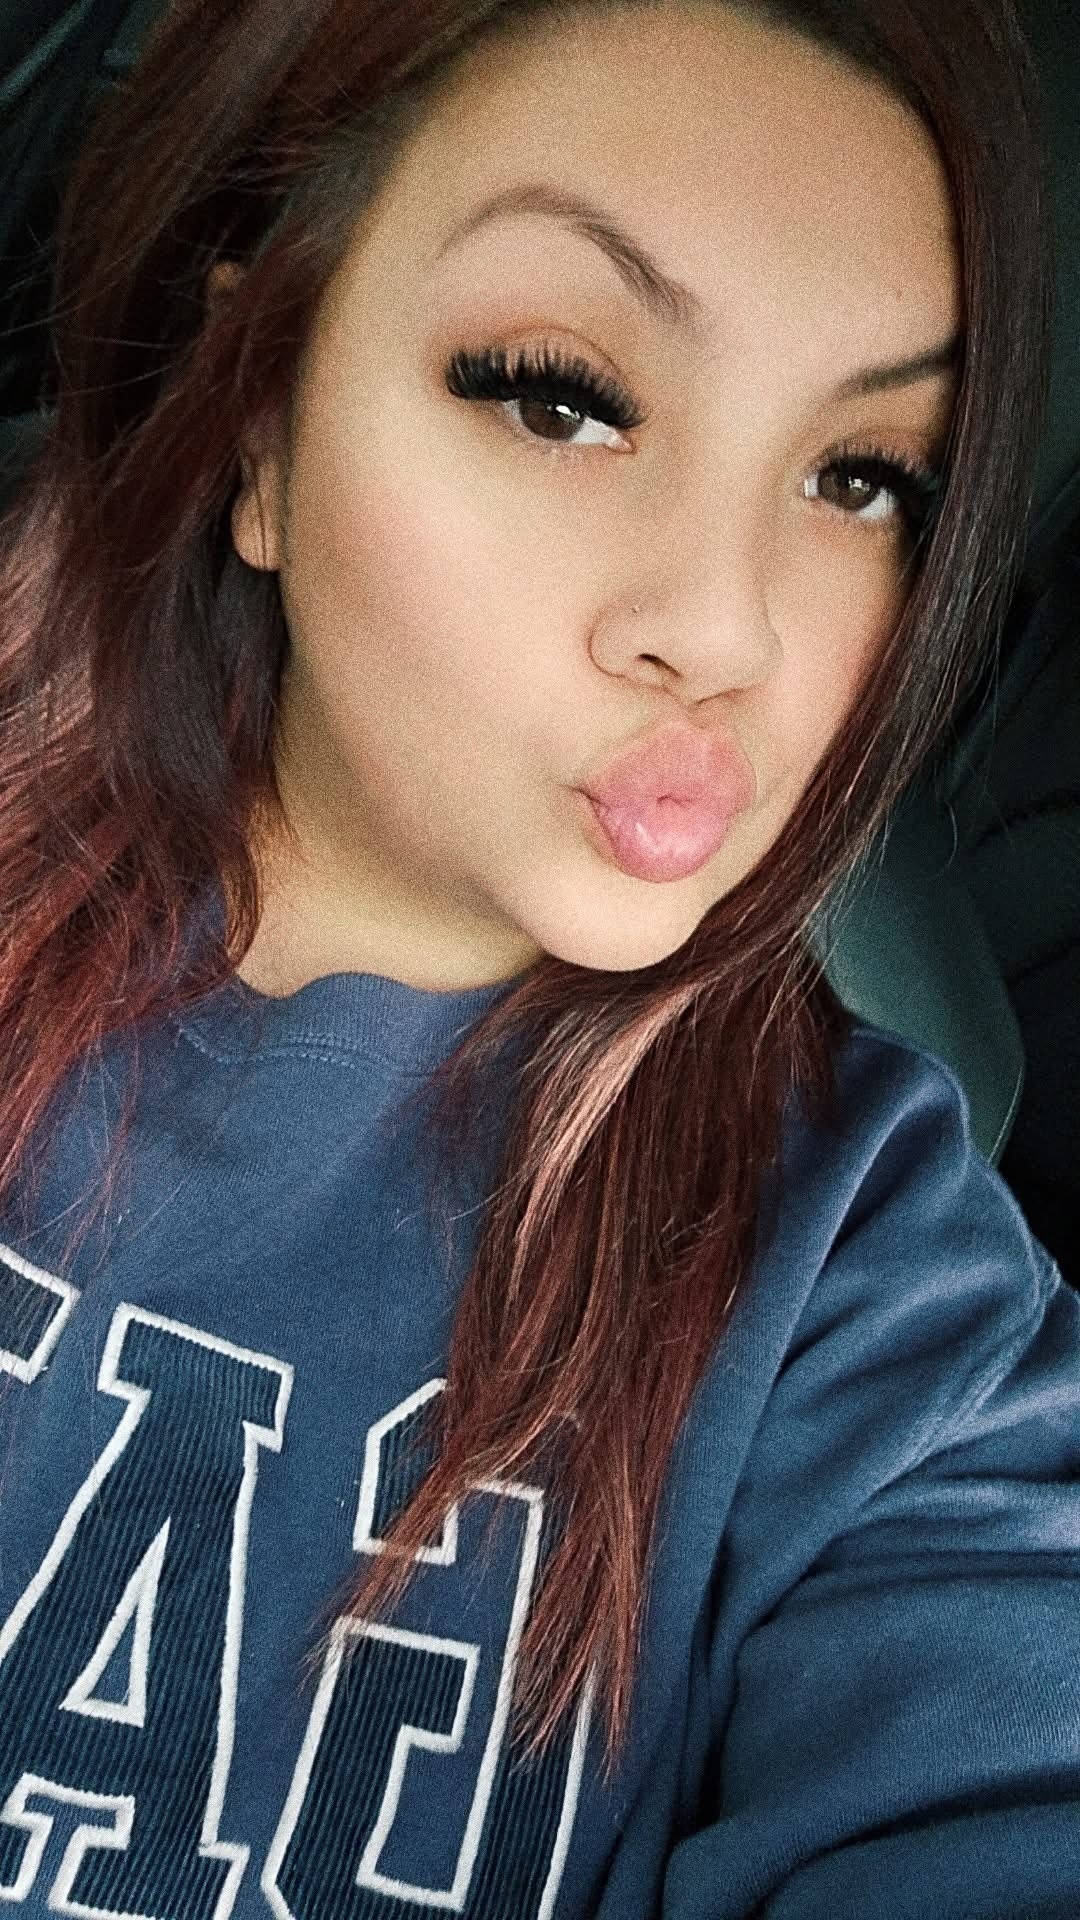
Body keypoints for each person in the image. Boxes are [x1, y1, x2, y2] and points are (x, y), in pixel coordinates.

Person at [0, 1, 1077, 1914]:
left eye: (861, 478)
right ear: (264, 414)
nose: (724, 629)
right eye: (560, 396)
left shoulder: (866, 1272)